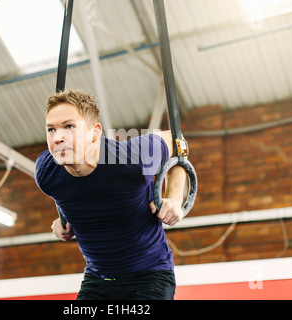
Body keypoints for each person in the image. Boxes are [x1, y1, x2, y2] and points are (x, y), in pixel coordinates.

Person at [35, 89, 188, 300]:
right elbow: (77, 194)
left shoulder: (132, 160)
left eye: (69, 126)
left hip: (149, 276)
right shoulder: (46, 173)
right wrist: (63, 218)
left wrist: (174, 198)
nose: (58, 137)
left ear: (95, 133)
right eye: (51, 130)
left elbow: (176, 142)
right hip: (98, 278)